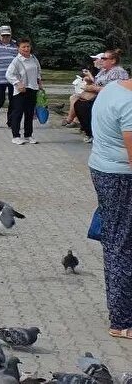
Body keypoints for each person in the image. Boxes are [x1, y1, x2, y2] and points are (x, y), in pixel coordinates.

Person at [88, 75, 132, 340]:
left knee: (118, 241)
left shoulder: (112, 89)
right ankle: (122, 320)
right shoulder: (129, 102)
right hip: (122, 178)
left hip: (103, 169)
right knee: (122, 246)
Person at [77, 49, 129, 144]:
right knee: (79, 103)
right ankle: (90, 132)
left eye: (104, 58)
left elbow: (114, 89)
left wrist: (93, 88)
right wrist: (89, 82)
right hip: (101, 96)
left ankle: (92, 133)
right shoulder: (103, 71)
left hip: (112, 99)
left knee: (84, 106)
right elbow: (97, 83)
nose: (101, 60)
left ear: (113, 61)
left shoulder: (117, 72)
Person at [4, 37, 43, 145]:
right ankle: (16, 136)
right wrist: (17, 83)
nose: (26, 49)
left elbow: (38, 70)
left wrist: (39, 81)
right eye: (23, 47)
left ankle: (28, 135)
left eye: (28, 46)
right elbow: (8, 74)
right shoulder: (16, 61)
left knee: (30, 113)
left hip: (33, 88)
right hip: (21, 90)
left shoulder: (34, 58)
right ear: (18, 48)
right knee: (18, 113)